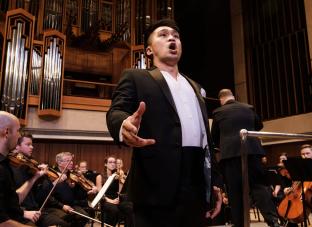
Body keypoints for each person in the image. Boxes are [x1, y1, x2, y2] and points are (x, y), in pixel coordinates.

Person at [106, 19, 222, 227]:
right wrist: (123, 125)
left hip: (196, 184)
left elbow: (207, 139)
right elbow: (116, 111)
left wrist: (214, 182)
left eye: (176, 36)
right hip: (154, 186)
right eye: (163, 34)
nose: (172, 38)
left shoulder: (195, 87)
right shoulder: (136, 76)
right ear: (149, 51)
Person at [211, 89, 280, 227]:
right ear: (233, 97)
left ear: (221, 100)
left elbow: (214, 137)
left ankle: (239, 224)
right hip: (252, 152)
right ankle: (273, 221)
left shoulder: (218, 112)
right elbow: (259, 126)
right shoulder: (248, 108)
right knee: (259, 187)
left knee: (235, 191)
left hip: (231, 155)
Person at [11, 133, 71, 227]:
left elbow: (40, 195)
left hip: (35, 209)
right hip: (19, 212)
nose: (32, 147)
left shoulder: (29, 167)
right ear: (17, 146)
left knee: (63, 224)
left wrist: (47, 179)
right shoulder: (10, 168)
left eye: (32, 144)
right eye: (28, 144)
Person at [0, 111, 42, 226]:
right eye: (18, 131)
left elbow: (12, 201)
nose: (19, 136)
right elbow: (2, 222)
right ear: (7, 132)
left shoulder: (6, 164)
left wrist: (34, 178)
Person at [96, 156, 134, 227]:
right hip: (106, 200)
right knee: (114, 210)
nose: (113, 164)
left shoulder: (117, 176)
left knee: (130, 207)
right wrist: (111, 201)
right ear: (105, 164)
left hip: (117, 200)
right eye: (110, 162)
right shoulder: (99, 177)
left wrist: (121, 179)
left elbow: (120, 192)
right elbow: (100, 194)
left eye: (114, 162)